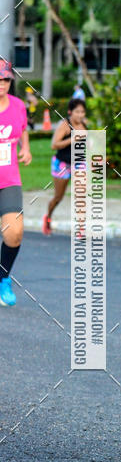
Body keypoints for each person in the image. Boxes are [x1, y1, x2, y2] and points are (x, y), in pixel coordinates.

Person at [0, 59, 32, 306]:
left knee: (14, 233)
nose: (2, 84)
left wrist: (26, 149)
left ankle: (3, 279)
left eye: (6, 79)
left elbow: (22, 130)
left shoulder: (19, 106)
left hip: (9, 178)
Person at [42, 98, 87, 235]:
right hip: (62, 164)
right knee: (58, 197)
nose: (80, 115)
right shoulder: (64, 125)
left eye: (82, 112)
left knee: (81, 195)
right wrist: (72, 139)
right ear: (70, 112)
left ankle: (80, 228)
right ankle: (48, 217)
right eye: (77, 112)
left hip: (79, 162)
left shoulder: (85, 125)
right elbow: (54, 145)